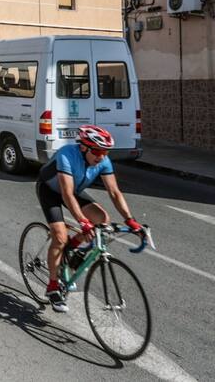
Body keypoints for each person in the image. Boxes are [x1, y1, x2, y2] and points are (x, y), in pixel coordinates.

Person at [36, 125, 143, 312]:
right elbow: (67, 194)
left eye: (106, 152)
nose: (102, 156)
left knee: (102, 220)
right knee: (60, 237)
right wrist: (83, 222)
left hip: (74, 190)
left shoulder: (103, 161)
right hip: (51, 191)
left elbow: (114, 192)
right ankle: (53, 286)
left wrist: (130, 220)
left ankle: (73, 248)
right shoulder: (66, 155)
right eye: (98, 151)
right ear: (84, 147)